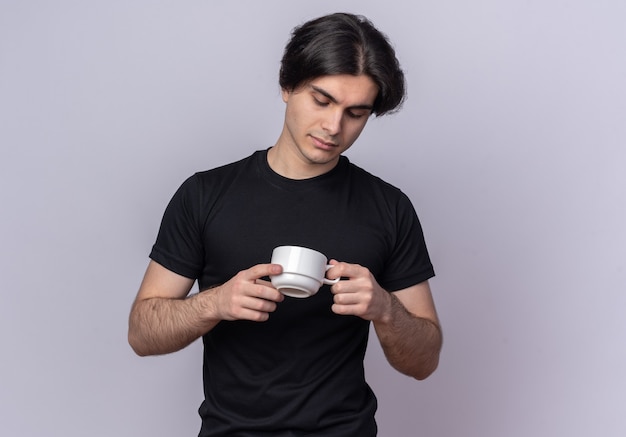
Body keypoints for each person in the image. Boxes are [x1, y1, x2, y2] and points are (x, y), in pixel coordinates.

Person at [128, 12, 442, 436]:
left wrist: (385, 310)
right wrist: (215, 303)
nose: (334, 127)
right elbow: (142, 334)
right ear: (287, 86)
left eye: (356, 112)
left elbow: (424, 361)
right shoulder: (204, 195)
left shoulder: (389, 207)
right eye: (322, 100)